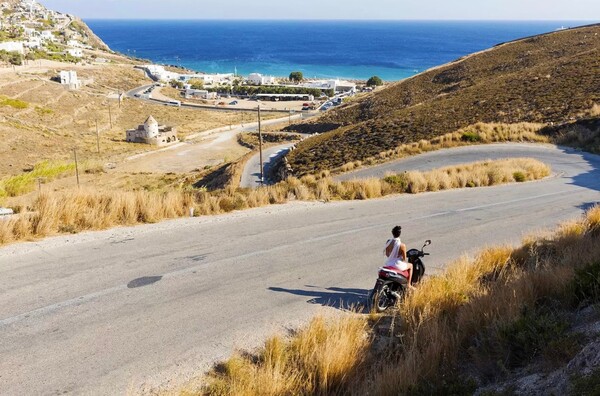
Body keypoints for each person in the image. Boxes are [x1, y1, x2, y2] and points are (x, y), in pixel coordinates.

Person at [384, 225, 416, 290]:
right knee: (411, 265)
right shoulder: (402, 245)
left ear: (392, 233)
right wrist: (399, 257)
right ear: (399, 234)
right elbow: (404, 259)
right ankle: (409, 284)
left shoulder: (388, 242)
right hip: (397, 264)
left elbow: (387, 254)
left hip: (389, 263)